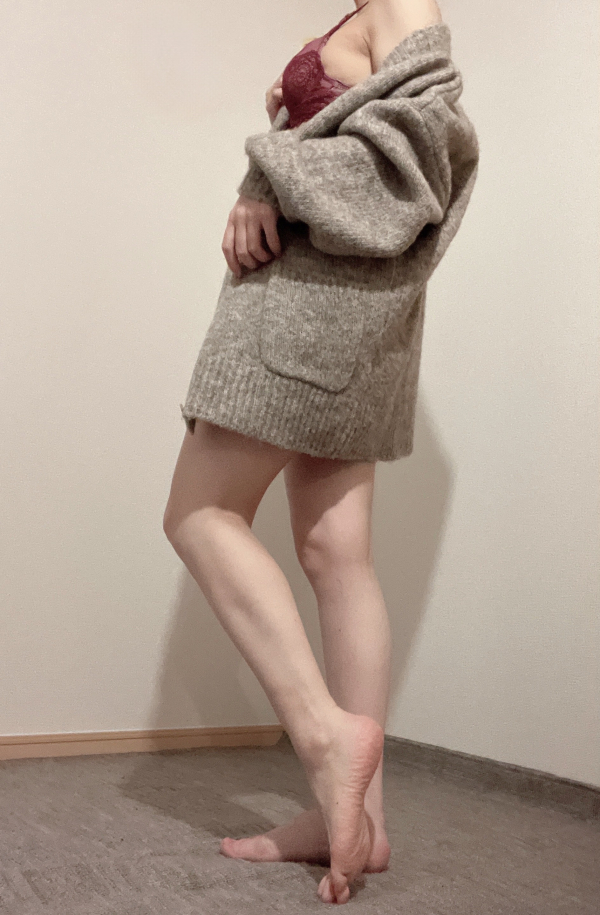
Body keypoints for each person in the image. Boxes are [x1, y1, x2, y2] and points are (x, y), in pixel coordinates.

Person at [164, 0, 479, 905]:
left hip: (308, 314)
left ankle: (325, 735)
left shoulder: (404, 6)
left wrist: (270, 172)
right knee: (337, 555)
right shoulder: (369, 11)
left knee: (199, 513)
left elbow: (426, 156)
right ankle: (360, 823)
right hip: (351, 322)